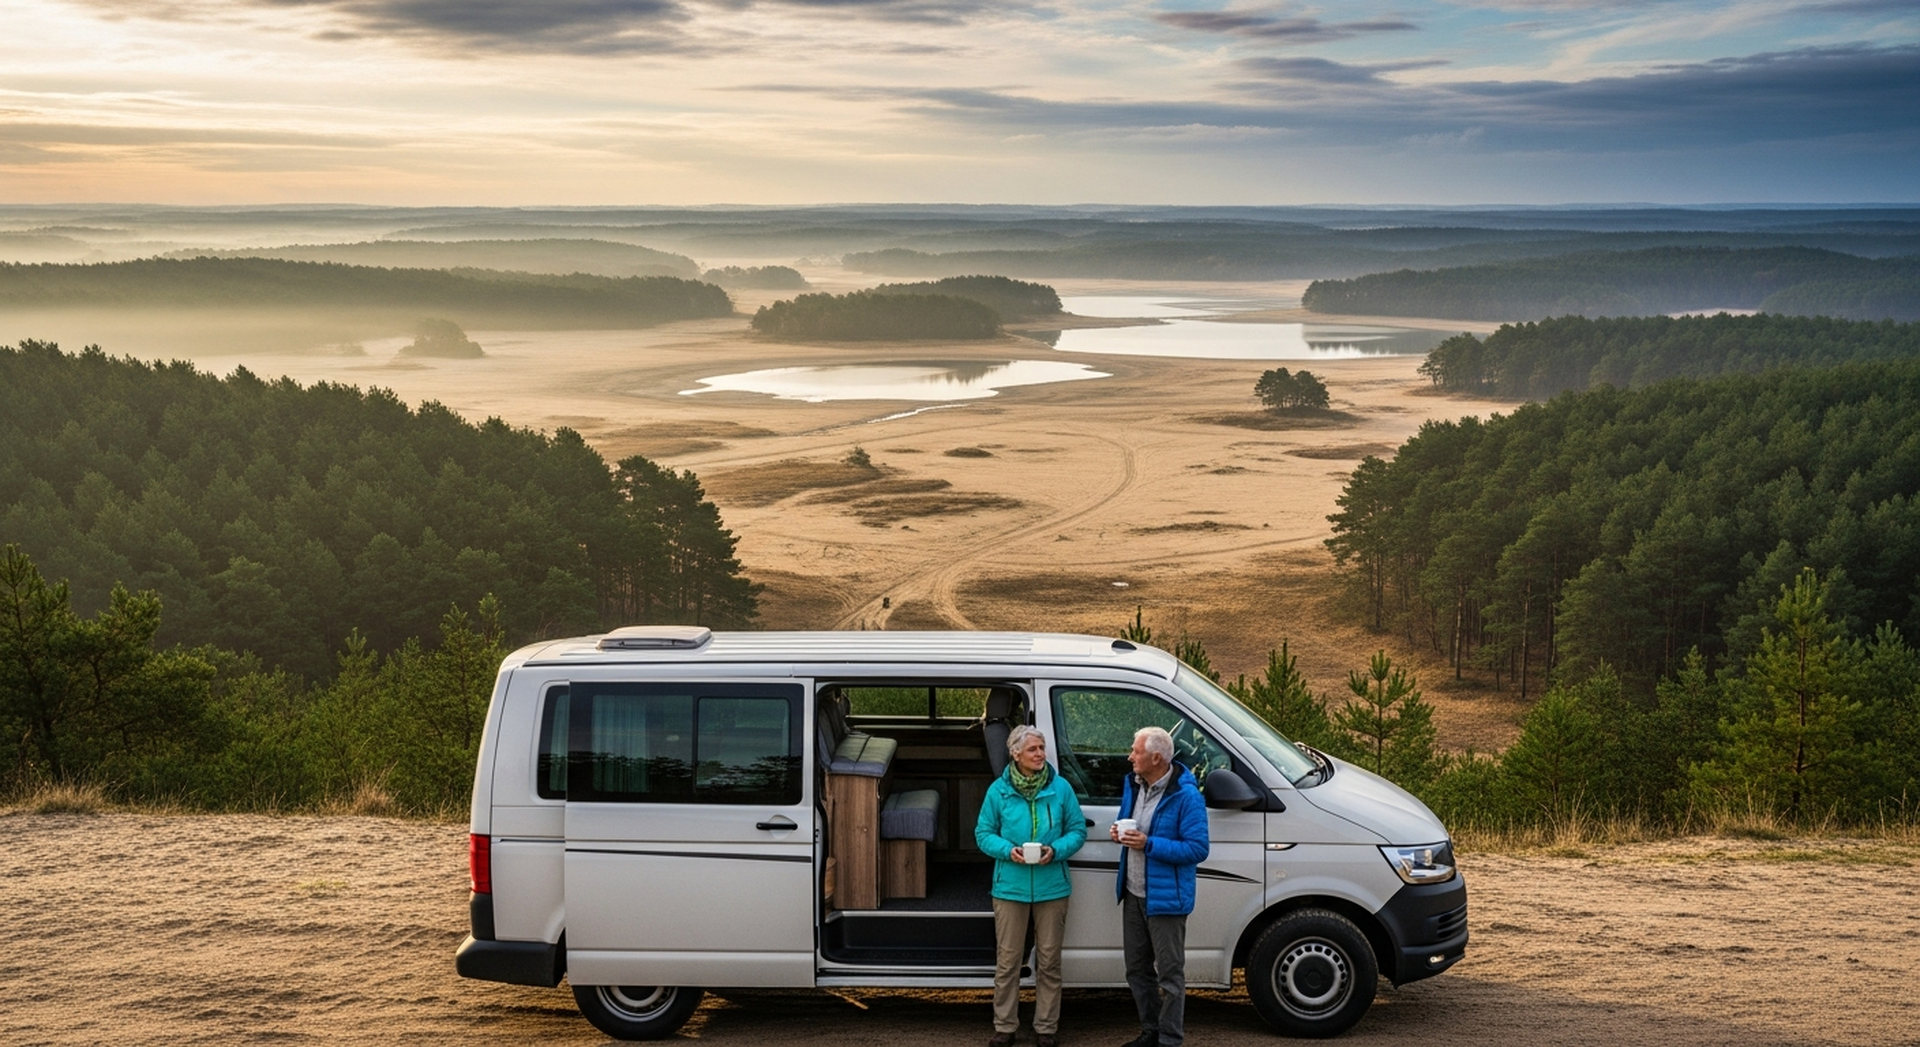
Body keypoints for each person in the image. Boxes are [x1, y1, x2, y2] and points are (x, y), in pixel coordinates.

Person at [975, 724, 1088, 1047]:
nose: (1040, 754)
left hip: (1053, 886)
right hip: (1010, 887)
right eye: (1033, 749)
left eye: (1041, 748)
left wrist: (1057, 851)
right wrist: (1007, 851)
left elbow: (1077, 830)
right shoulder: (998, 791)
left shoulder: (1061, 788)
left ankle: (1046, 1028)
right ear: (1015, 754)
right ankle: (1005, 1026)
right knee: (1009, 961)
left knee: (1049, 961)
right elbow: (983, 834)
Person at [1111, 726, 1209, 1047]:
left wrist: (1147, 843)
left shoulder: (1187, 796)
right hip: (1133, 893)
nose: (1129, 757)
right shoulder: (1134, 785)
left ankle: (1169, 1039)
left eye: (1135, 751)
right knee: (1137, 971)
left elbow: (1197, 849)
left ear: (1156, 757)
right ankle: (1150, 1032)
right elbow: (1132, 826)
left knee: (1169, 976)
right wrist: (1120, 833)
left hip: (1166, 900)